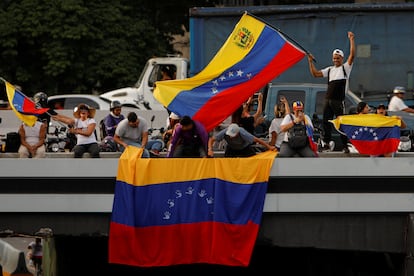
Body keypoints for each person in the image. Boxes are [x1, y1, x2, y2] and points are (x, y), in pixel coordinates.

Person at [308, 31, 355, 153]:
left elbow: (352, 55)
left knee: (341, 122)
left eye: (338, 58)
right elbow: (315, 74)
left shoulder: (345, 68)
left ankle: (345, 145)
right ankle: (326, 144)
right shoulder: (329, 70)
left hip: (338, 101)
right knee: (326, 123)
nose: (335, 60)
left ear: (342, 58)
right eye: (334, 58)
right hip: (327, 101)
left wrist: (351, 39)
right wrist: (310, 61)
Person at [208, 123, 275, 157]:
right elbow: (211, 139)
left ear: (237, 133)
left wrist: (269, 147)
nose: (231, 137)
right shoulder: (224, 132)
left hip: (244, 148)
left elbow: (257, 140)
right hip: (231, 148)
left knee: (253, 159)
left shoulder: (242, 132)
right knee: (227, 160)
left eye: (233, 135)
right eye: (230, 135)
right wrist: (210, 150)